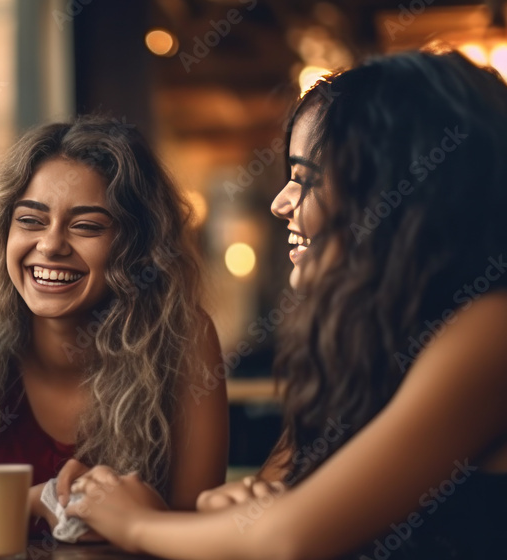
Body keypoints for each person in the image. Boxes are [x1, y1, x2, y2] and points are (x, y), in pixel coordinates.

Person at [64, 49, 507, 559]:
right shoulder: (359, 347)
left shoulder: (491, 328)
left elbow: (286, 538)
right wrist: (228, 511)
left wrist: (134, 522)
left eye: (307, 178)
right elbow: (270, 514)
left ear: (397, 191)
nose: (280, 202)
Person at [0, 117, 229, 540]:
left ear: (136, 246)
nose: (51, 245)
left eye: (87, 226)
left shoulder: (185, 336)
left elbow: (198, 528)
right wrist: (36, 501)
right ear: (3, 231)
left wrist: (130, 517)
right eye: (31, 221)